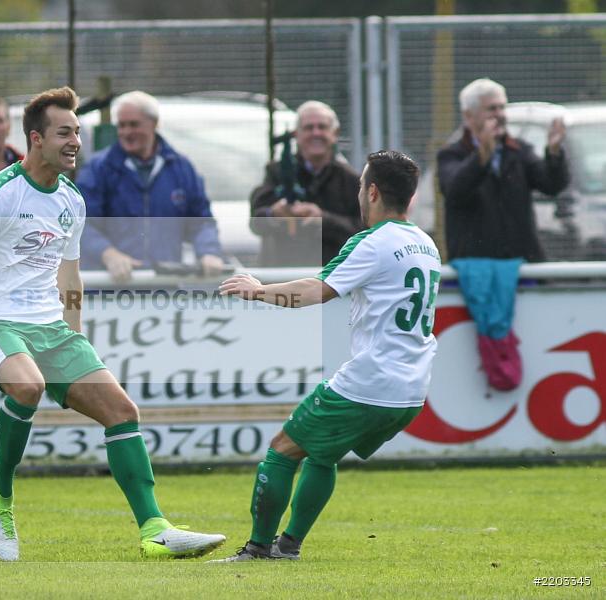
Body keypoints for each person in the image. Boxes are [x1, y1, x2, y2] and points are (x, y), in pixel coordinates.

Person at [0, 86, 226, 562]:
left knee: (122, 412)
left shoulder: (72, 200)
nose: (75, 141)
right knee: (27, 389)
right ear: (36, 139)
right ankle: (1, 498)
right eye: (64, 133)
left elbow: (69, 275)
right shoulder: (0, 192)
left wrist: (73, 333)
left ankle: (155, 529)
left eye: (77, 132)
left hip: (52, 327)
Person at [212, 151, 439, 562]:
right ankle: (289, 546)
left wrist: (256, 290)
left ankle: (259, 548)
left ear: (371, 192)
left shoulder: (372, 241)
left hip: (371, 381)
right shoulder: (425, 242)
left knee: (282, 450)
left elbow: (316, 291)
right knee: (322, 453)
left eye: (359, 187)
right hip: (412, 389)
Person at [437, 78, 568, 391]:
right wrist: (482, 155)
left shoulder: (517, 150)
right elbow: (455, 191)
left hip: (520, 265)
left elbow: (551, 184)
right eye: (490, 108)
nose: (499, 114)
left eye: (501, 107)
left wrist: (554, 152)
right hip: (474, 269)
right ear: (469, 117)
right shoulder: (451, 155)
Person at [76, 90, 224, 282]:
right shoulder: (98, 169)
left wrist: (209, 252)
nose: (126, 132)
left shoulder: (180, 168)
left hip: (164, 285)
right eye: (121, 125)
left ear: (154, 124)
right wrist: (108, 254)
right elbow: (80, 222)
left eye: (134, 125)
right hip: (111, 288)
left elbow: (201, 220)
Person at [250, 101, 362, 267]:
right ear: (296, 134)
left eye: (322, 127)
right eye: (309, 128)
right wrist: (275, 213)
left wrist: (323, 220)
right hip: (283, 277)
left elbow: (363, 232)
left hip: (331, 280)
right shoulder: (276, 172)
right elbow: (256, 222)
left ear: (335, 133)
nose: (315, 133)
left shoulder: (350, 180)